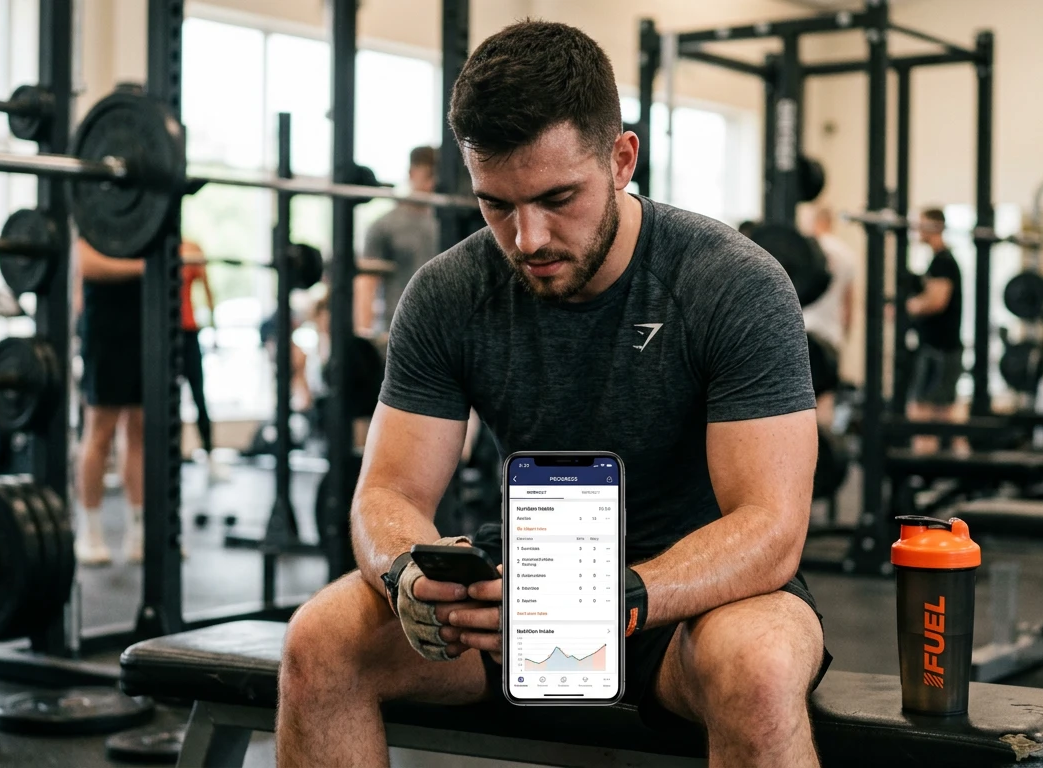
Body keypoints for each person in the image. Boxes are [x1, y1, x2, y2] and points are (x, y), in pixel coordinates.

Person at [279, 20, 828, 768]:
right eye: (496, 205)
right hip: (519, 595)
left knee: (760, 669)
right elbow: (388, 491)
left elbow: (771, 527)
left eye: (557, 197)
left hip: (698, 602)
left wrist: (621, 597)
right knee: (320, 640)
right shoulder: (448, 293)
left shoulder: (732, 283)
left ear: (622, 157)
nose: (528, 237)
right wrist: (406, 570)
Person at [75, 237, 144, 566]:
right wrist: (145, 267)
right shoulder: (96, 212)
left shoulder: (145, 208)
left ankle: (139, 531)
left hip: (144, 328)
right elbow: (87, 264)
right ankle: (90, 531)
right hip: (105, 331)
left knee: (140, 430)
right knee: (100, 431)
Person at [355, 146, 440, 338]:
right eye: (429, 174)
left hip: (442, 333)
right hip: (399, 331)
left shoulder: (451, 225)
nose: (433, 183)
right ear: (412, 173)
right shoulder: (384, 226)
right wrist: (364, 337)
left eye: (438, 176)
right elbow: (367, 285)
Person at [905, 208, 964, 452]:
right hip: (938, 347)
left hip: (939, 349)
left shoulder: (943, 261)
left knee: (922, 411)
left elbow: (937, 301)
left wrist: (908, 306)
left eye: (922, 225)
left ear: (935, 227)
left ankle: (923, 467)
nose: (918, 230)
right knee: (941, 412)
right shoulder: (937, 261)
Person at [804, 205, 857, 428]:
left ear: (816, 222)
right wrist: (843, 337)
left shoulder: (806, 250)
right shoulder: (847, 254)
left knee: (799, 403)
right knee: (826, 401)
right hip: (830, 336)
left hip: (804, 331)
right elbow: (849, 304)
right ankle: (824, 456)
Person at [177, 241, 225, 481]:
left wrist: (214, 328)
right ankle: (168, 461)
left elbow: (207, 290)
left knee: (198, 396)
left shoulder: (192, 248)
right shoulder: (153, 245)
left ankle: (210, 458)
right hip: (162, 335)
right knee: (164, 401)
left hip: (188, 333)